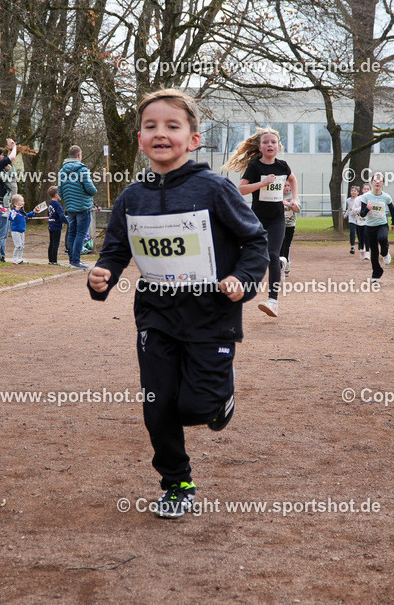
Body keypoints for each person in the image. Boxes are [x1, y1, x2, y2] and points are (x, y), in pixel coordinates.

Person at [87, 88, 268, 519]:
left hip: (212, 316)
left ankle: (220, 392)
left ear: (193, 139)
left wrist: (243, 281)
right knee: (157, 403)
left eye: (172, 126)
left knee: (195, 408)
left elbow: (255, 240)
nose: (160, 133)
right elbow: (115, 250)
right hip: (156, 316)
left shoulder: (215, 188)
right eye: (151, 126)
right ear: (139, 139)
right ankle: (177, 482)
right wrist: (103, 276)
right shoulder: (132, 197)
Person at [225, 127, 299, 318]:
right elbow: (241, 189)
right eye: (265, 142)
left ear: (278, 146)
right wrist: (262, 183)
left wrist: (295, 199)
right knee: (249, 252)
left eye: (273, 142)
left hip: (277, 218)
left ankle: (273, 301)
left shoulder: (283, 166)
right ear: (260, 146)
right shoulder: (255, 167)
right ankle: (236, 286)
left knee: (273, 255)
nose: (269, 145)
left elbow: (293, 179)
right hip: (256, 217)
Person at [58, 145, 98, 270]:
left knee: (71, 233)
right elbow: (91, 189)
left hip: (70, 208)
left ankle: (71, 260)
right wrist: (94, 191)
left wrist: (68, 201)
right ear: (79, 155)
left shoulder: (62, 171)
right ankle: (76, 261)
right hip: (83, 207)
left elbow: (60, 191)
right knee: (81, 234)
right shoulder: (82, 170)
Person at [358, 173, 394, 281]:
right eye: (375, 180)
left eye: (380, 181)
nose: (377, 182)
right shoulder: (366, 197)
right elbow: (362, 214)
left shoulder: (386, 197)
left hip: (382, 224)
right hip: (370, 226)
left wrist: (393, 222)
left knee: (383, 238)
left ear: (383, 183)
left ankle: (385, 253)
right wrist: (367, 209)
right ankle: (376, 274)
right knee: (373, 252)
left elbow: (392, 209)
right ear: (372, 183)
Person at [279, 181, 300, 276]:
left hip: (290, 224)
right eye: (284, 186)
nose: (287, 188)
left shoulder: (293, 197)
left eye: (288, 186)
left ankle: (286, 264)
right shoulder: (277, 196)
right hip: (279, 224)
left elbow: (298, 210)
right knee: (280, 244)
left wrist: (288, 204)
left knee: (287, 245)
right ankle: (280, 265)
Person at [8, 194, 36, 264]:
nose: (23, 202)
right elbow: (11, 218)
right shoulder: (13, 211)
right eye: (21, 201)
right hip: (15, 231)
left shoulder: (22, 212)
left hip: (22, 231)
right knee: (18, 245)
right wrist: (16, 211)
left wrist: (34, 212)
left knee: (22, 246)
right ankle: (14, 258)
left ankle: (20, 258)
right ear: (16, 203)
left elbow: (27, 216)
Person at [46, 186, 65, 265]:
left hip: (51, 225)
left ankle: (50, 260)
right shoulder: (57, 204)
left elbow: (48, 213)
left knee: (51, 242)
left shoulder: (50, 204)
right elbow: (61, 215)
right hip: (56, 226)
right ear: (57, 195)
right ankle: (54, 261)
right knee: (55, 243)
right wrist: (68, 223)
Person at [344, 185, 360, 254]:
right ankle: (352, 246)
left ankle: (360, 243)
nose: (353, 192)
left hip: (359, 218)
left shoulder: (360, 199)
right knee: (352, 232)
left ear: (357, 192)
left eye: (354, 191)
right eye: (352, 191)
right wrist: (345, 215)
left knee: (359, 232)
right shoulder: (348, 200)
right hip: (351, 218)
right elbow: (349, 208)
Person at [357, 183, 371, 260]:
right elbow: (354, 210)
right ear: (362, 190)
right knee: (361, 237)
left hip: (368, 221)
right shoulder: (358, 199)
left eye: (367, 189)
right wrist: (360, 209)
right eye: (365, 189)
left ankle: (367, 252)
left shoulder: (372, 198)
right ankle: (362, 250)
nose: (366, 190)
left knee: (367, 235)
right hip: (360, 221)